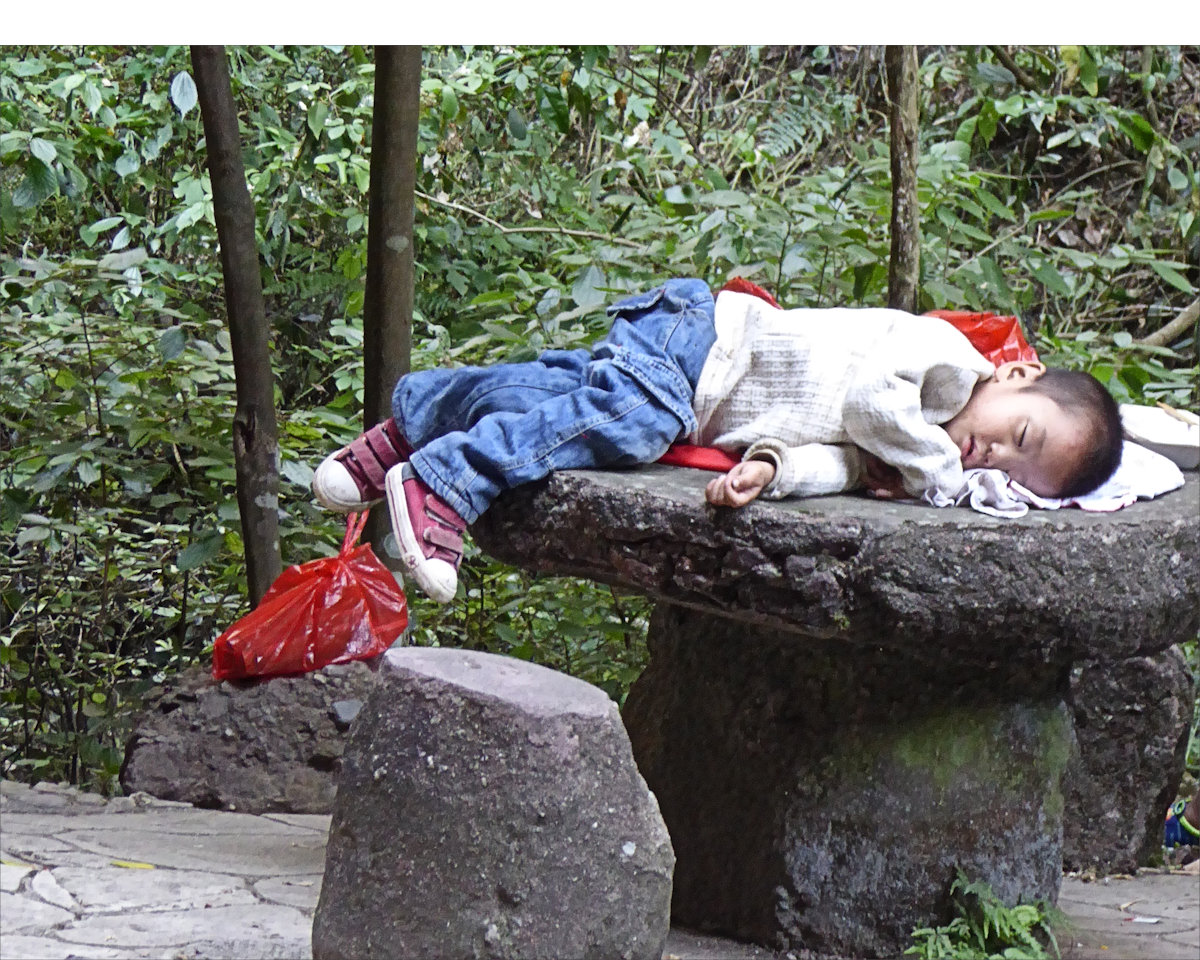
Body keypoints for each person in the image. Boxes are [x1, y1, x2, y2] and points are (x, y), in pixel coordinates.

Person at [311, 278, 1123, 603]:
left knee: (563, 398)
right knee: (628, 424)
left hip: (698, 396)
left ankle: (409, 426)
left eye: (1024, 473)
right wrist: (936, 475)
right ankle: (446, 481)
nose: (997, 457)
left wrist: (769, 472)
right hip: (701, 343)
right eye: (1019, 434)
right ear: (1018, 376)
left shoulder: (913, 452)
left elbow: (839, 459)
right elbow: (874, 406)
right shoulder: (943, 360)